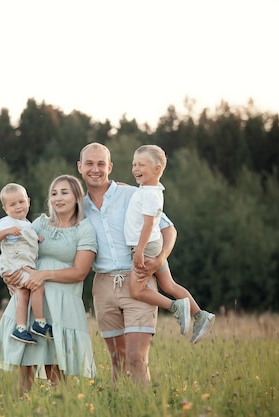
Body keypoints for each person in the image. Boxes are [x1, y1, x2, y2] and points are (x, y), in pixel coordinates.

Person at [77, 142, 178, 384]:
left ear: (110, 167)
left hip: (138, 281)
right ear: (80, 167)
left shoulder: (133, 193)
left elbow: (168, 228)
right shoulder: (78, 207)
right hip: (103, 286)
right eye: (89, 163)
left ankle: (142, 408)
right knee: (118, 360)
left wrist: (161, 258)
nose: (95, 169)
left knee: (136, 357)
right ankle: (119, 407)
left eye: (101, 163)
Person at [0, 175, 97, 396]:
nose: (58, 198)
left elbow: (80, 272)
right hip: (31, 300)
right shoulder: (38, 223)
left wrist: (43, 275)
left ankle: (61, 407)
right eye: (54, 193)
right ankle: (22, 408)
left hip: (62, 301)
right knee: (25, 364)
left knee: (56, 367)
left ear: (77, 196)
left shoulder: (85, 228)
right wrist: (9, 277)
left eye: (64, 192)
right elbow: (13, 251)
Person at [124, 145, 215, 343]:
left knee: (136, 290)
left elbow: (147, 225)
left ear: (157, 169)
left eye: (141, 165)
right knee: (169, 284)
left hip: (146, 246)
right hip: (154, 244)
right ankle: (200, 315)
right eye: (134, 164)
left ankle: (175, 306)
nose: (135, 168)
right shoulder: (150, 189)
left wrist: (139, 251)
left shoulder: (149, 195)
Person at [0, 183, 51, 345]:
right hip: (13, 266)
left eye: (21, 202)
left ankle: (21, 328)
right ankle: (40, 323)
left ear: (28, 202)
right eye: (12, 204)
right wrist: (7, 231)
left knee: (23, 294)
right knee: (38, 286)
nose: (18, 207)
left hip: (21, 266)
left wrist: (36, 238)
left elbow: (27, 239)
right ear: (5, 208)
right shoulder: (6, 222)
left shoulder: (28, 224)